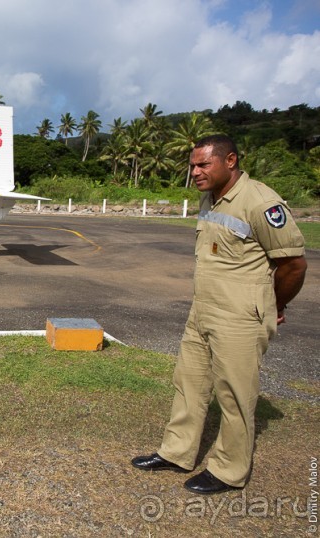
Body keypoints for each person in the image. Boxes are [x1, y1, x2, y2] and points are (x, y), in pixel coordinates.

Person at [131, 134, 307, 494]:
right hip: (203, 310)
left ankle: (229, 470)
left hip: (240, 315)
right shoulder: (210, 198)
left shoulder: (260, 201)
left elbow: (293, 265)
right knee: (189, 382)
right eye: (193, 165)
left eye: (203, 164)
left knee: (234, 394)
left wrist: (276, 305)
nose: (194, 172)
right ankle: (177, 451)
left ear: (230, 161)